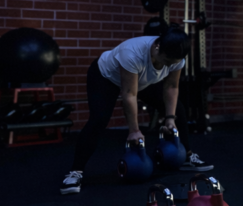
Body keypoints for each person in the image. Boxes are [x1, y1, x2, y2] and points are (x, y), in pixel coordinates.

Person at [60, 24, 213, 194]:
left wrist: (170, 118)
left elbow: (171, 87)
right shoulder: (132, 53)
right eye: (166, 61)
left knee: (179, 110)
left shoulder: (177, 57)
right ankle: (75, 172)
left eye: (172, 64)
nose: (168, 66)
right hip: (106, 76)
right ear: (157, 46)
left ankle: (187, 157)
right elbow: (129, 94)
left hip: (142, 79)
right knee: (99, 119)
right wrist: (134, 131)